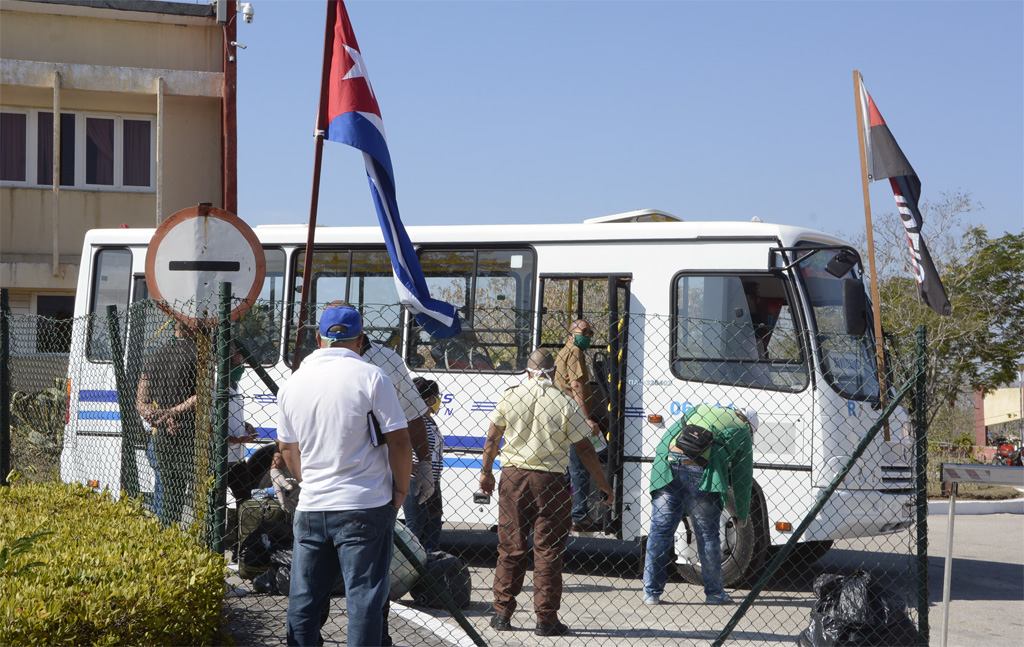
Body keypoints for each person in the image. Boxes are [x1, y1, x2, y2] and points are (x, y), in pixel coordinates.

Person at [277, 305, 412, 647]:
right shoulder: (372, 377)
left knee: (304, 600)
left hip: (312, 506)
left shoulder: (294, 383)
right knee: (364, 600)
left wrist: (309, 482)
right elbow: (399, 441)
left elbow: (288, 448)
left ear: (319, 338)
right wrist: (401, 489)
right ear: (360, 340)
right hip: (364, 504)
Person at [478, 348, 614, 637]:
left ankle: (502, 613)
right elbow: (584, 448)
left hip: (513, 477)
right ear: (553, 372)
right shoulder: (564, 402)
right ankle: (546, 619)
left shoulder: (510, 396)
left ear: (527, 371)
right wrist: (602, 483)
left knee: (511, 546)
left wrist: (486, 473)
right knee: (548, 550)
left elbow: (492, 438)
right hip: (550, 481)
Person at [642, 404, 755, 606]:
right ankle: (714, 593)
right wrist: (742, 513)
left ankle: (651, 593)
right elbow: (742, 477)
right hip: (701, 473)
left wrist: (661, 471)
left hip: (668, 467)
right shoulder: (744, 430)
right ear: (749, 423)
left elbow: (666, 439)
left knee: (660, 532)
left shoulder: (699, 409)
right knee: (707, 535)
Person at [136, 320, 200, 529]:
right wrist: (172, 413)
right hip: (189, 435)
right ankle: (174, 534)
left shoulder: (156, 356)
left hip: (162, 435)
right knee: (186, 491)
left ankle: (161, 534)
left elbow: (141, 401)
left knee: (166, 488)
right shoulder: (198, 353)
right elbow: (202, 395)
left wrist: (158, 417)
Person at [553, 319, 603, 533]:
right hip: (573, 418)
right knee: (579, 467)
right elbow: (575, 384)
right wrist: (586, 418)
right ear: (571, 334)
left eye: (590, 333)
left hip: (563, 418)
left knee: (566, 470)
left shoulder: (566, 351)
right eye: (584, 332)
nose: (588, 336)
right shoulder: (574, 351)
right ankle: (579, 516)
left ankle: (560, 513)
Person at [404, 377, 444, 553]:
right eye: (436, 396)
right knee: (415, 528)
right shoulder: (415, 422)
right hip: (416, 482)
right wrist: (411, 467)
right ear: (429, 399)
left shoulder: (430, 421)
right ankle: (411, 563)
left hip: (433, 482)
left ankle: (429, 564)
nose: (438, 400)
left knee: (433, 529)